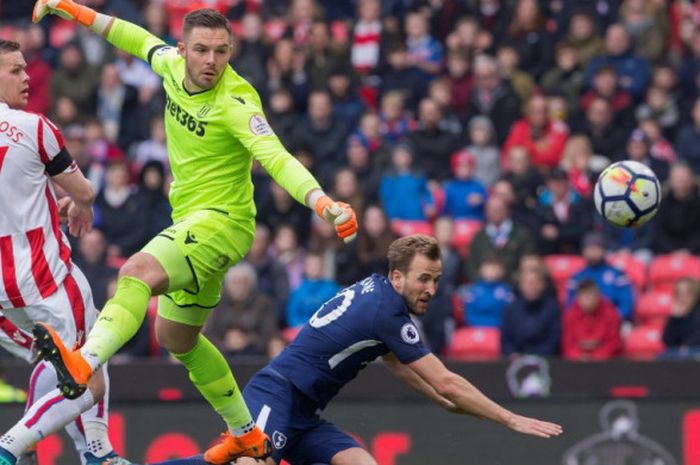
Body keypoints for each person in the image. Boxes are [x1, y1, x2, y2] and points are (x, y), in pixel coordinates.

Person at [31, 3, 358, 463]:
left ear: (231, 52)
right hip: (190, 221)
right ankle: (245, 432)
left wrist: (322, 202)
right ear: (182, 50)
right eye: (201, 50)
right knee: (176, 339)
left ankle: (85, 361)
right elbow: (132, 36)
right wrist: (74, 10)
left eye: (221, 52)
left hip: (222, 223)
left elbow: (277, 157)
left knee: (136, 271)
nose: (211, 61)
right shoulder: (168, 65)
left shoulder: (237, 102)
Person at [124, 235, 563, 465]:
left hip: (303, 413)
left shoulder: (379, 296)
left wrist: (441, 401)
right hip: (275, 395)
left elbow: (394, 361)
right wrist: (509, 418)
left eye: (436, 279)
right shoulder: (387, 313)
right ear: (397, 277)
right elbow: (445, 378)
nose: (431, 289)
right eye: (423, 279)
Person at [0, 39, 126, 465]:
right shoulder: (36, 127)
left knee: (49, 357)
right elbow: (85, 191)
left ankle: (80, 452)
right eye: (15, 70)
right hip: (46, 279)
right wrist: (81, 204)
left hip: (2, 295)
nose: (27, 76)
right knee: (91, 371)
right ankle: (18, 446)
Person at [562, 279, 623, 361]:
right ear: (578, 298)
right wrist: (578, 356)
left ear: (598, 296)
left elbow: (614, 342)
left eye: (591, 295)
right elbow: (568, 344)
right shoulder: (570, 316)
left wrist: (595, 357)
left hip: (606, 363)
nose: (588, 300)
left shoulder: (610, 313)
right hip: (577, 364)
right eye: (585, 296)